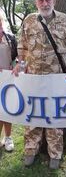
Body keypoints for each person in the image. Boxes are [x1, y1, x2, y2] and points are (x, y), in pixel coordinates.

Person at [13, 0, 66, 169]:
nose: (44, 2)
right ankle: (30, 150)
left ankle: (55, 154)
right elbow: (22, 46)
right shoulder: (29, 21)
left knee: (54, 116)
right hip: (33, 77)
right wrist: (20, 63)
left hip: (57, 79)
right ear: (36, 1)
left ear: (54, 0)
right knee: (33, 114)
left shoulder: (65, 20)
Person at [0, 20, 17, 153]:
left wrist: (14, 64)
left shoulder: (10, 37)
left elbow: (18, 56)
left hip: (8, 78)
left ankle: (8, 138)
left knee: (7, 108)